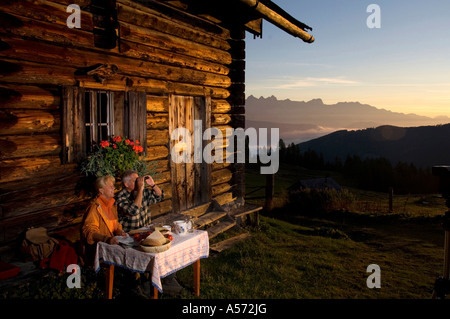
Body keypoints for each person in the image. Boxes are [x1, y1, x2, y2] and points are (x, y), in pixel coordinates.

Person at [81, 175, 126, 267]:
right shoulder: (94, 207)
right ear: (101, 190)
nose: (114, 187)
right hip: (98, 250)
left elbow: (115, 224)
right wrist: (106, 239)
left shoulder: (111, 205)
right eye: (110, 186)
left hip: (111, 246)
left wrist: (119, 231)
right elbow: (89, 232)